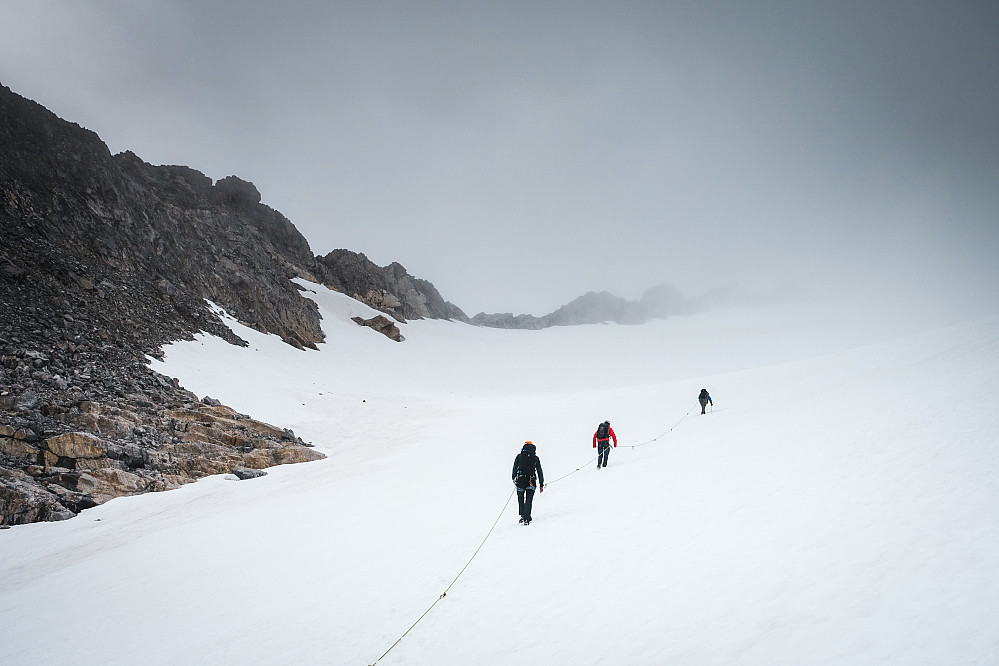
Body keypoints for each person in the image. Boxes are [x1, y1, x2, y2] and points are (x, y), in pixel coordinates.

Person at [512, 441, 544, 525]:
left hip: (521, 480)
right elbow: (539, 471)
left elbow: (515, 468)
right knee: (529, 499)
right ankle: (527, 518)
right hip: (531, 481)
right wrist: (541, 484)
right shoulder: (535, 458)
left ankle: (522, 516)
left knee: (520, 498)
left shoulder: (519, 457)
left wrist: (514, 478)